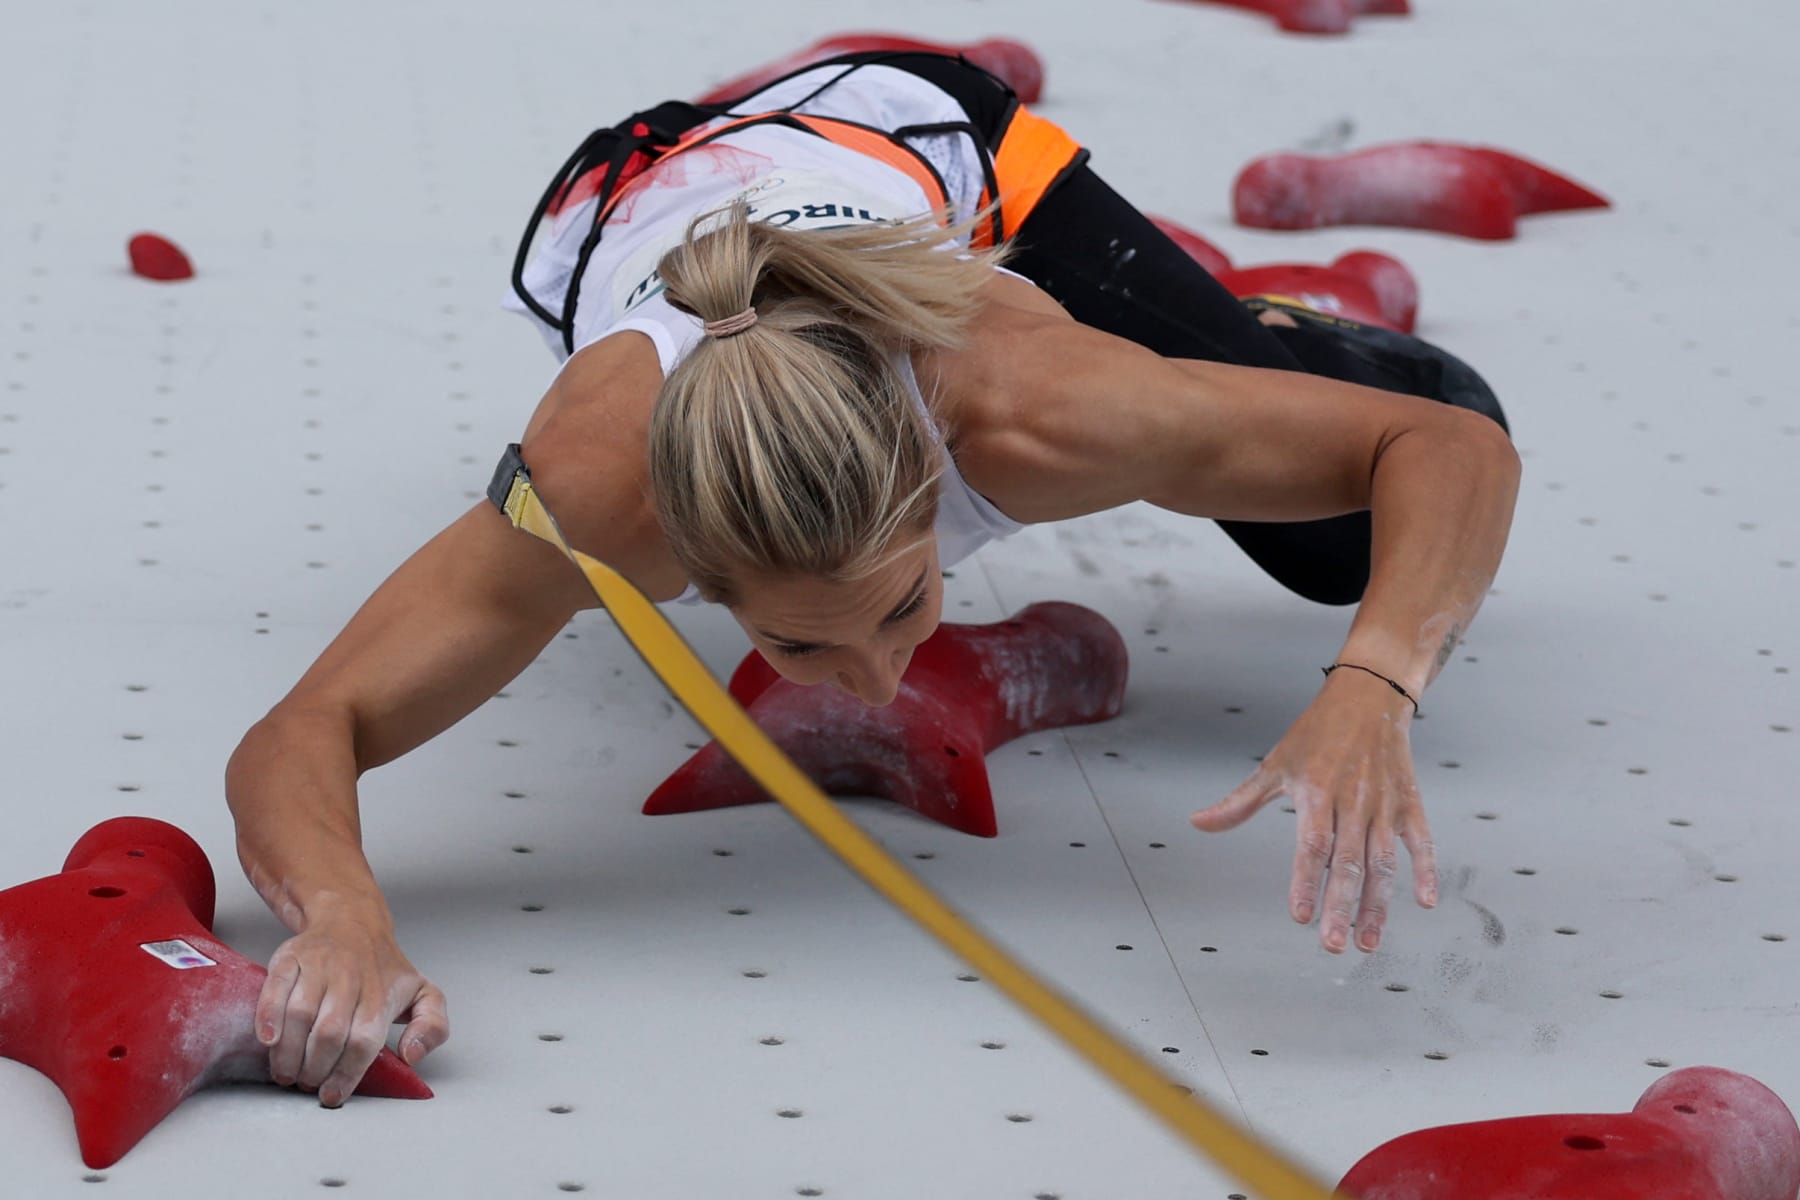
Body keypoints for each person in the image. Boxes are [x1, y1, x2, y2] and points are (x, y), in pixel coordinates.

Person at [225, 52, 1521, 1108]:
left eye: (905, 605)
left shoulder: (1028, 406)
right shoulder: (590, 504)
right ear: (694, 569)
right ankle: (748, 114)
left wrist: (1374, 680)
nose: (882, 681)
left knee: (1335, 552)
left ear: (941, 479)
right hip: (627, 185)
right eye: (800, 647)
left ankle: (1273, 329)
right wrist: (341, 920)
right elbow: (303, 730)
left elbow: (1451, 450)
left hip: (904, 125)